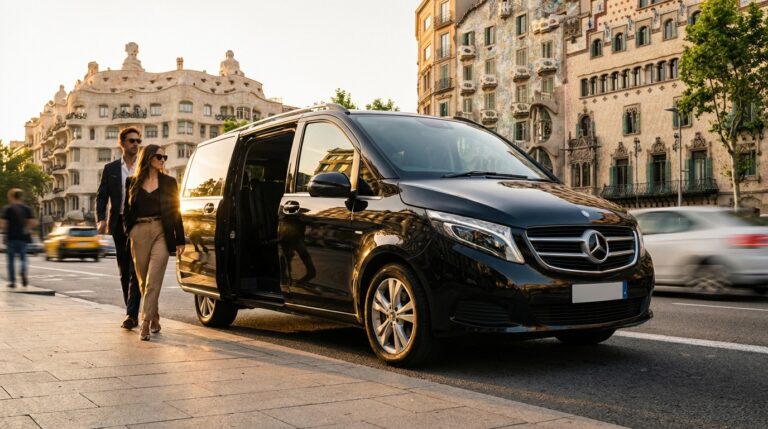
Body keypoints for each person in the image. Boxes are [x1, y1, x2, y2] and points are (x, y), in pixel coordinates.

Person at [123, 144, 185, 340]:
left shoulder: (169, 182)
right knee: (143, 282)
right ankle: (155, 316)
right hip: (138, 232)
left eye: (165, 158)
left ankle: (146, 322)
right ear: (148, 157)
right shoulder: (131, 182)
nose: (163, 160)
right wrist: (130, 231)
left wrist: (180, 239)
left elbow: (176, 211)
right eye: (159, 157)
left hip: (161, 231)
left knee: (153, 280)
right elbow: (126, 211)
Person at [96, 127, 141, 329]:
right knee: (124, 269)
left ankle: (132, 314)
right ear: (121, 143)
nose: (135, 144)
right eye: (132, 141)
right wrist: (101, 219)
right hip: (118, 223)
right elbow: (102, 196)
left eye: (138, 141)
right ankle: (130, 310)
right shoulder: (111, 169)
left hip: (139, 223)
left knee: (136, 268)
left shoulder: (144, 166)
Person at [1, 189, 37, 288]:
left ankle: (12, 281)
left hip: (11, 238)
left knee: (11, 260)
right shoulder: (27, 209)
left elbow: (3, 224)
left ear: (12, 196)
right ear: (21, 197)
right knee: (23, 258)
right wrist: (27, 228)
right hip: (23, 238)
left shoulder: (8, 209)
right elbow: (33, 223)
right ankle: (23, 271)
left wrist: (5, 231)